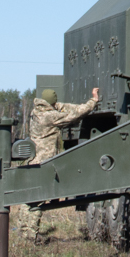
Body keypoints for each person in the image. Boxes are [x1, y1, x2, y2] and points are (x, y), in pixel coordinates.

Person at [13, 85, 99, 241]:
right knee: (38, 199)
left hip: (33, 160)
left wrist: (58, 106)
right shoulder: (50, 117)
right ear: (51, 103)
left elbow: (60, 108)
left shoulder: (36, 112)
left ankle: (23, 232)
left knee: (29, 197)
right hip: (44, 162)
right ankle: (31, 235)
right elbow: (74, 116)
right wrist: (93, 101)